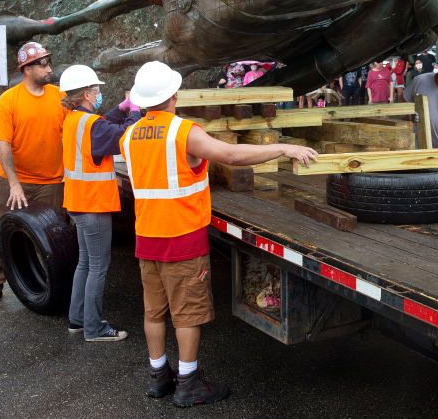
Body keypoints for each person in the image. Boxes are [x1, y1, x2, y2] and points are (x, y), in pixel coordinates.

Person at [121, 61, 317, 406]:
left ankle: (158, 377)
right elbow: (229, 154)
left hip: (146, 237)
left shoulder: (129, 136)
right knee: (187, 314)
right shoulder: (183, 132)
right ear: (173, 95)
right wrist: (284, 148)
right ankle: (189, 382)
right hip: (181, 238)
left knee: (153, 311)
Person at [0, 42, 67, 307]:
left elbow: (71, 135)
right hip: (12, 181)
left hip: (50, 182)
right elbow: (2, 146)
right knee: (0, 230)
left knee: (52, 237)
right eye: (43, 64)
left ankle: (49, 288)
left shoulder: (60, 97)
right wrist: (14, 185)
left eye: (48, 62)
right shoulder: (9, 100)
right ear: (26, 68)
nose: (49, 68)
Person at [59, 65, 140, 342]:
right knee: (98, 266)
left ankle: (78, 319)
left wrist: (122, 107)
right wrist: (136, 112)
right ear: (85, 94)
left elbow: (104, 123)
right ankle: (94, 328)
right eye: (96, 90)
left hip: (78, 202)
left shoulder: (74, 119)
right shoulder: (92, 126)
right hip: (93, 205)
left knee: (85, 263)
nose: (98, 94)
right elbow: (122, 137)